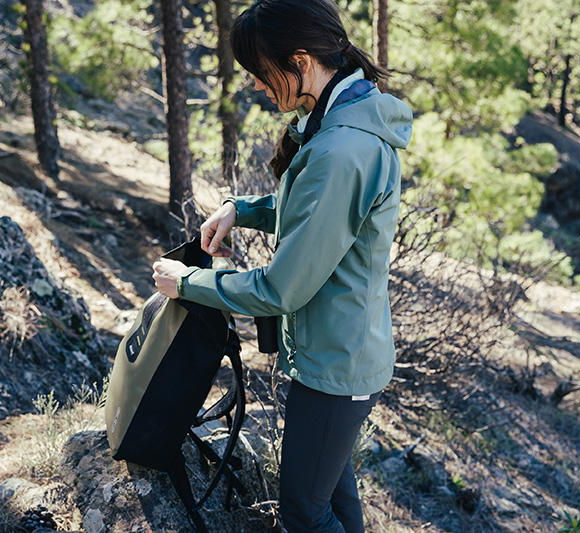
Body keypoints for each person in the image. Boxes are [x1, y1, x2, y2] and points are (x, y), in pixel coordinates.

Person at [152, 0, 412, 530]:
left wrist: (190, 283)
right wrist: (240, 210)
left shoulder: (343, 148)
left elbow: (280, 289)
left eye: (260, 71)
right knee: (332, 502)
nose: (254, 85)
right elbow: (318, 215)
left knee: (304, 510)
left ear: (300, 60)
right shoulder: (340, 118)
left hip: (338, 366)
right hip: (336, 354)